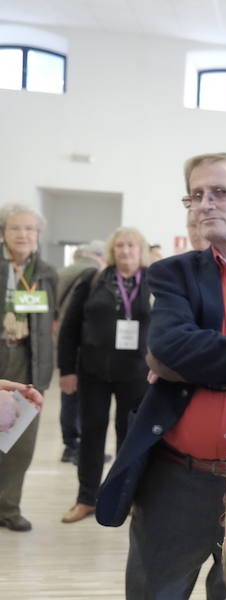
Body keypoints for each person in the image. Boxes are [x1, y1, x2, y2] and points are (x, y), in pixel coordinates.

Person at [95, 152, 226, 600]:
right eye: (195, 195)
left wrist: (199, 363)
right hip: (176, 479)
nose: (204, 204)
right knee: (155, 591)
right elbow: (169, 348)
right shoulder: (173, 273)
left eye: (219, 193)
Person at [57, 228, 153, 524]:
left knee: (130, 438)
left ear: (141, 250)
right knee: (91, 435)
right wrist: (67, 370)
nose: (126, 251)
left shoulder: (155, 282)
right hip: (93, 371)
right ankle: (86, 498)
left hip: (136, 373)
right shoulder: (93, 279)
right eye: (120, 246)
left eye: (132, 246)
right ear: (112, 250)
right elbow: (70, 327)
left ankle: (127, 498)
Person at [0, 203, 57, 532]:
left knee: (20, 443)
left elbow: (53, 320)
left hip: (29, 360)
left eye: (30, 229)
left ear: (38, 235)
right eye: (16, 228)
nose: (23, 234)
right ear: (4, 233)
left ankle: (9, 507)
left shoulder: (45, 271)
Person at [56, 239, 107, 464]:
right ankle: (77, 445)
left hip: (64, 339)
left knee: (68, 394)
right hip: (83, 342)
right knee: (81, 397)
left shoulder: (63, 271)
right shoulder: (93, 273)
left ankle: (69, 444)